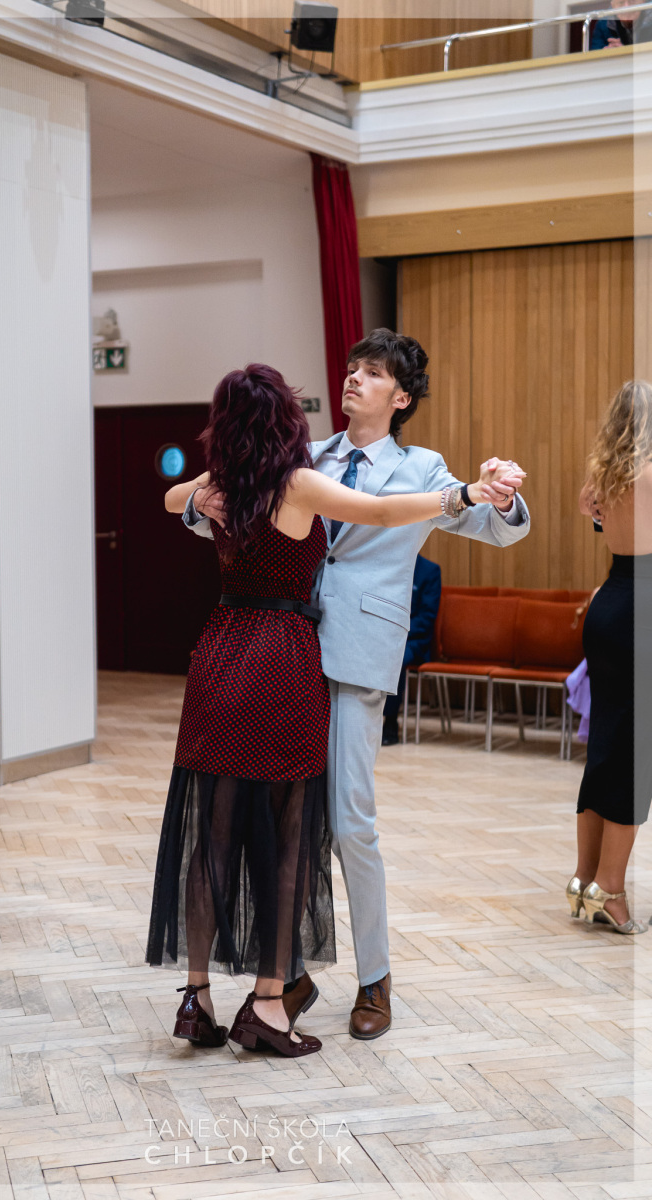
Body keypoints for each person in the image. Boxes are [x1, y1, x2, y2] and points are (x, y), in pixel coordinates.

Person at [146, 362, 524, 1058]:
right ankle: (279, 984)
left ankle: (371, 979)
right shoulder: (304, 458)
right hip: (283, 653)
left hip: (337, 652)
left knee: (344, 823)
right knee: (284, 828)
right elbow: (209, 509)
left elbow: (483, 527)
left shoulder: (422, 466)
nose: (353, 377)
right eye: (351, 367)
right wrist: (199, 502)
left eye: (372, 372)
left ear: (401, 396)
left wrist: (489, 494)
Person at [567, 380, 652, 935]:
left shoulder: (603, 479)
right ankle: (611, 891)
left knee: (605, 747)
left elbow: (601, 524)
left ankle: (584, 880)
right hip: (643, 609)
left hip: (610, 604)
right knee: (636, 756)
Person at [382, 553, 441, 745]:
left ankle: (390, 722)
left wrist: (398, 630)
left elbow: (426, 617)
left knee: (395, 658)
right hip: (385, 636)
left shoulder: (429, 570)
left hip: (414, 640)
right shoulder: (390, 565)